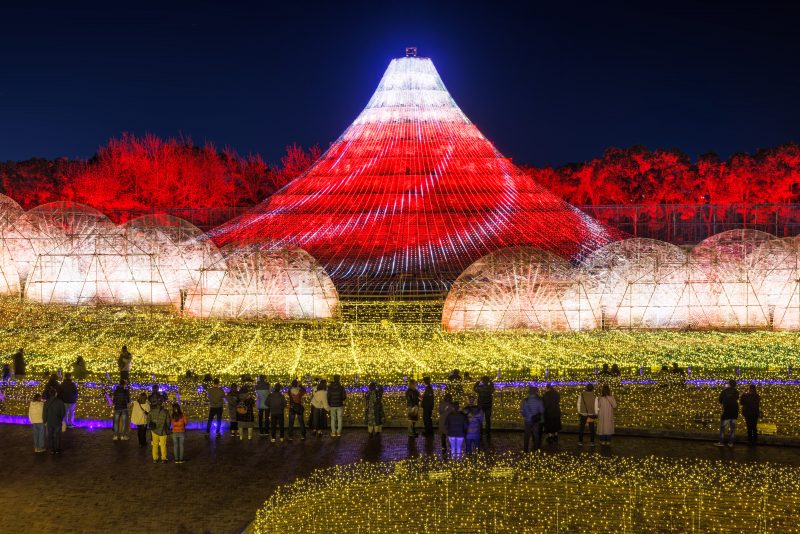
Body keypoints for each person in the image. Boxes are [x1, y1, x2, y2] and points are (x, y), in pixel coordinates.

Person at [520, 385, 545, 452]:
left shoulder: (525, 400)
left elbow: (522, 410)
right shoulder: (539, 400)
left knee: (526, 435)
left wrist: (526, 416)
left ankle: (525, 449)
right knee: (536, 435)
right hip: (535, 420)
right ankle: (536, 448)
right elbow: (542, 410)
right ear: (535, 392)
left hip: (527, 420)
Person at [716, 379, 739, 447]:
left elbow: (720, 400)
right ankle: (731, 443)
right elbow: (737, 399)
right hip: (734, 412)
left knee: (723, 428)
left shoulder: (724, 391)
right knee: (732, 429)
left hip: (726, 411)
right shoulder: (736, 391)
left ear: (729, 384)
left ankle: (721, 442)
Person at [147, 398, 170, 464]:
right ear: (162, 404)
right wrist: (168, 428)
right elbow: (168, 422)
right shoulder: (165, 412)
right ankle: (164, 458)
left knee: (155, 444)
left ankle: (155, 458)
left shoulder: (151, 411)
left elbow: (148, 420)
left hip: (154, 430)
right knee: (163, 445)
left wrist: (151, 426)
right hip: (163, 430)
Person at [43, 387, 65, 454]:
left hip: (49, 422)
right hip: (57, 421)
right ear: (56, 394)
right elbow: (63, 412)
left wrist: (45, 420)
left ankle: (52, 449)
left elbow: (44, 412)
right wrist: (61, 419)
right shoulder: (60, 402)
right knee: (57, 435)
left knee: (50, 435)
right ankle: (57, 449)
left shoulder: (46, 402)